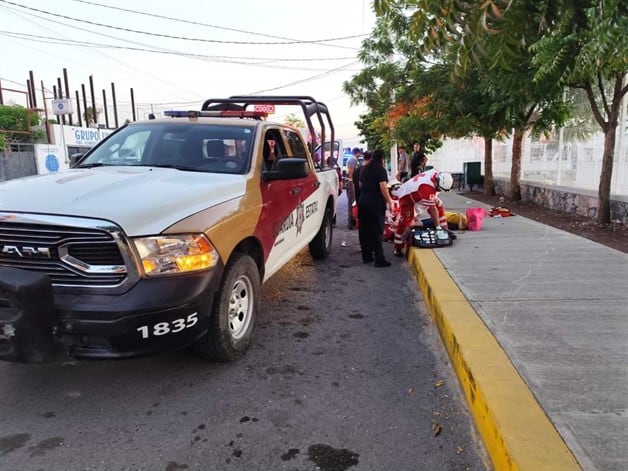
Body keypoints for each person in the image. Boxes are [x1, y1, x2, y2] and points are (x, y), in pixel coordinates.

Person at [391, 169, 454, 257]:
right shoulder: (426, 187)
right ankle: (398, 246)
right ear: (437, 182)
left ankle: (444, 230)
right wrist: (437, 226)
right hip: (407, 199)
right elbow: (432, 210)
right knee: (405, 222)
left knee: (439, 205)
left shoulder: (436, 173)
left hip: (417, 194)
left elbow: (433, 200)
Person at [358, 149, 394, 267]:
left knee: (364, 229)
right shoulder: (381, 170)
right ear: (382, 159)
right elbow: (383, 188)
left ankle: (366, 256)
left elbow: (360, 184)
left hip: (363, 200)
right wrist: (390, 201)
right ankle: (379, 259)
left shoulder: (365, 169)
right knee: (377, 230)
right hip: (376, 202)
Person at [345, 147, 362, 229]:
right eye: (359, 153)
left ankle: (352, 221)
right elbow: (351, 171)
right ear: (357, 153)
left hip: (351, 182)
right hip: (351, 183)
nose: (360, 155)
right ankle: (350, 222)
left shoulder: (352, 159)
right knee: (351, 203)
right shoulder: (353, 160)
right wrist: (353, 182)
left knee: (352, 202)